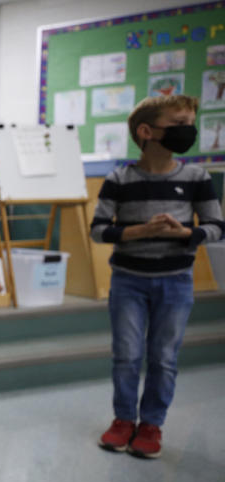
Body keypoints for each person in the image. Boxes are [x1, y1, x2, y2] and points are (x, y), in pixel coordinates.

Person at [91, 95, 223, 458]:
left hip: (176, 281)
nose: (188, 131)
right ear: (146, 132)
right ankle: (123, 420)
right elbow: (98, 231)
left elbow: (217, 227)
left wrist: (186, 234)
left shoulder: (197, 178)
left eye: (190, 123)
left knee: (164, 356)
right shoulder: (119, 178)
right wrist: (138, 232)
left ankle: (151, 424)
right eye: (178, 123)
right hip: (128, 280)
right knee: (127, 355)